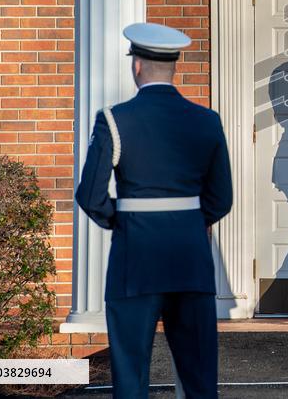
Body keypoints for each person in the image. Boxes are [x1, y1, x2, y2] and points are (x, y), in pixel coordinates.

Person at [76, 22, 233, 399]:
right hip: (190, 258)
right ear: (174, 66)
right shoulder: (207, 120)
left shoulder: (114, 119)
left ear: (137, 66)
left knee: (131, 377)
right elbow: (221, 199)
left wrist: (124, 220)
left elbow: (90, 195)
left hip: (136, 258)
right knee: (198, 378)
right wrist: (187, 223)